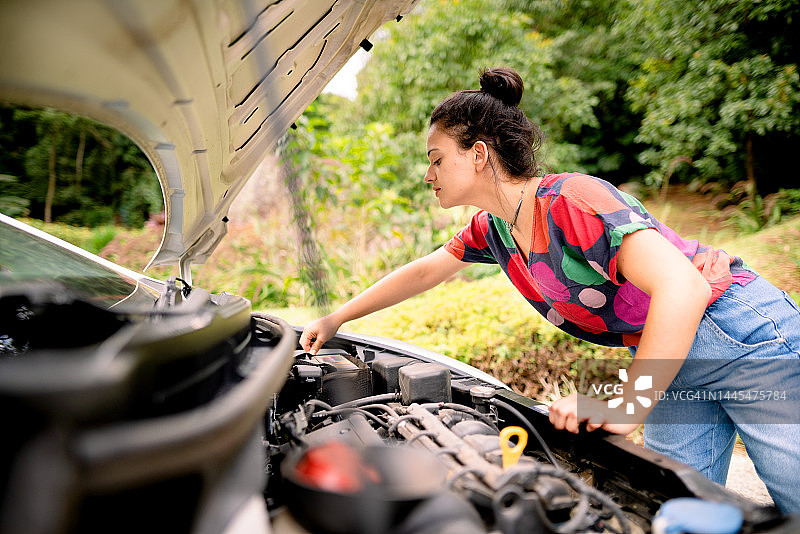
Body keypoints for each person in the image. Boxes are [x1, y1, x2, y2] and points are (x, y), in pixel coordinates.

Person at [299, 67, 800, 513]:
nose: (428, 175)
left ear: (479, 154)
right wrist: (337, 317)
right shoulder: (494, 229)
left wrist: (626, 406)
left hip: (742, 334)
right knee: (674, 512)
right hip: (671, 355)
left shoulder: (572, 201)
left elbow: (683, 287)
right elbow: (425, 271)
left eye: (436, 159)